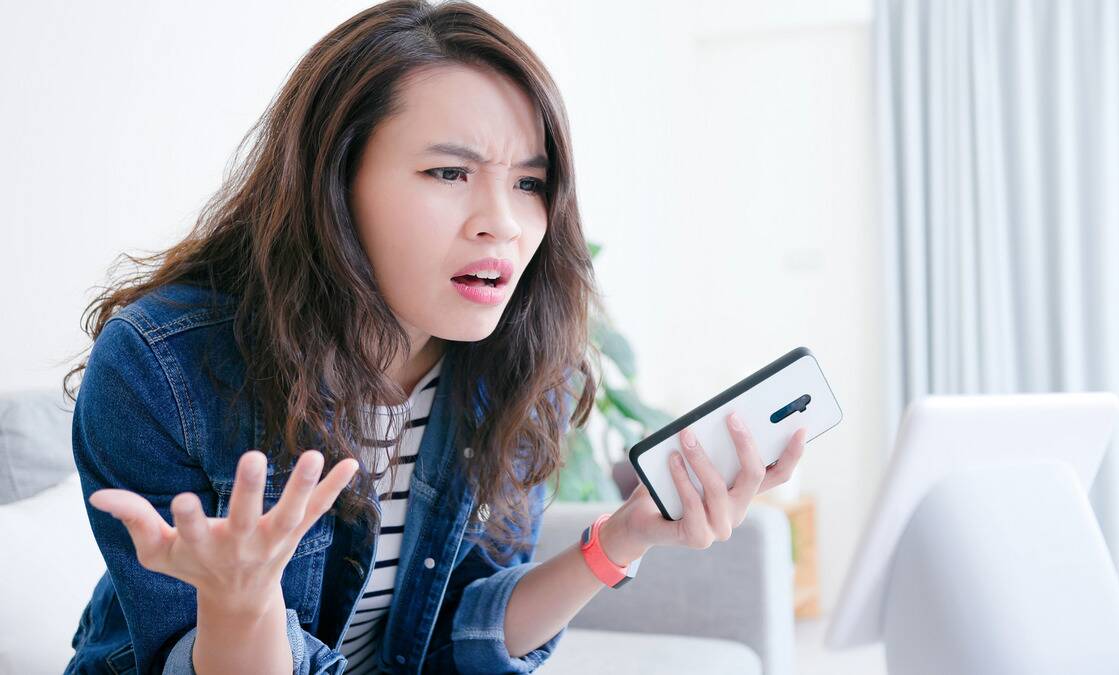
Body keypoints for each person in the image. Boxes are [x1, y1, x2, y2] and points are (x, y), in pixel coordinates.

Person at [61, 1, 809, 673]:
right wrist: (242, 604)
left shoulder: (519, 366)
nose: (503, 223)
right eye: (450, 172)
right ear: (334, 182)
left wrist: (626, 535)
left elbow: (461, 635)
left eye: (528, 182)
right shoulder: (162, 365)